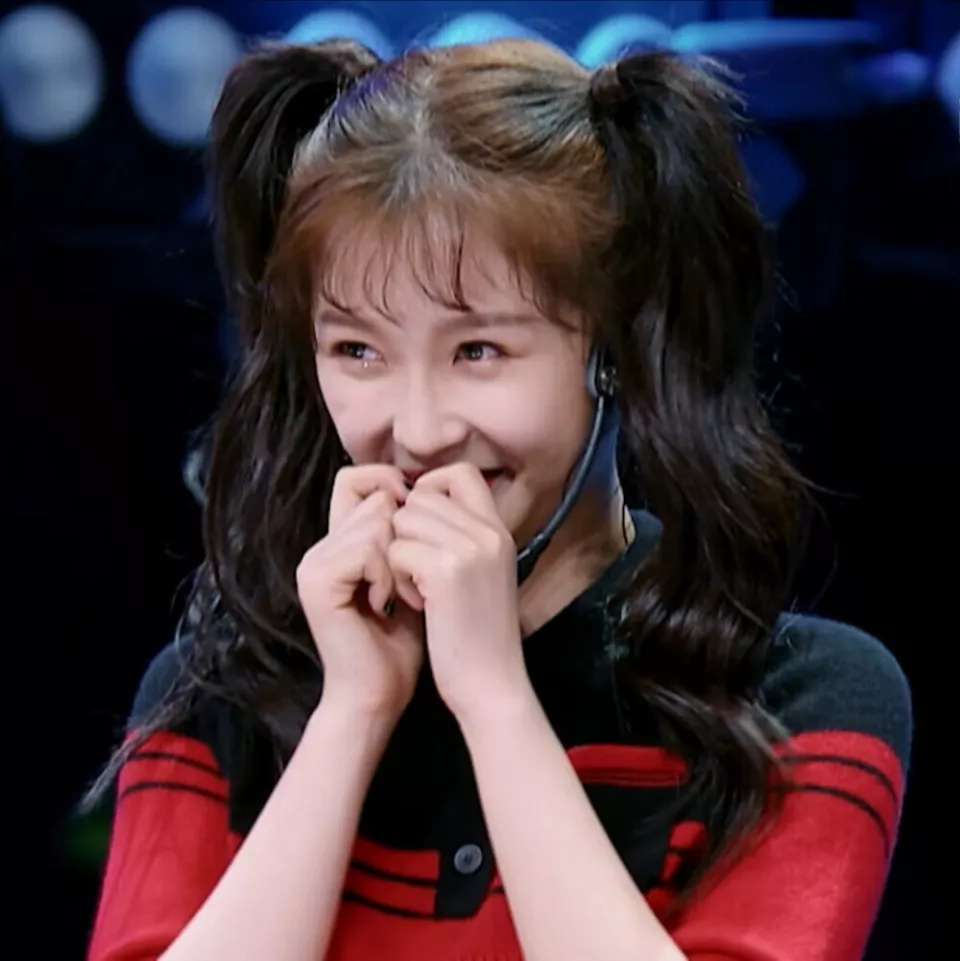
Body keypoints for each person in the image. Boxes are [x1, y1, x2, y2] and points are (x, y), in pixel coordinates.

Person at [85, 37, 911, 961]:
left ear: (613, 346)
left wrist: (493, 698)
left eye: (478, 351)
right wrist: (351, 715)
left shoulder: (794, 699)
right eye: (356, 350)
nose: (416, 430)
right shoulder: (216, 697)